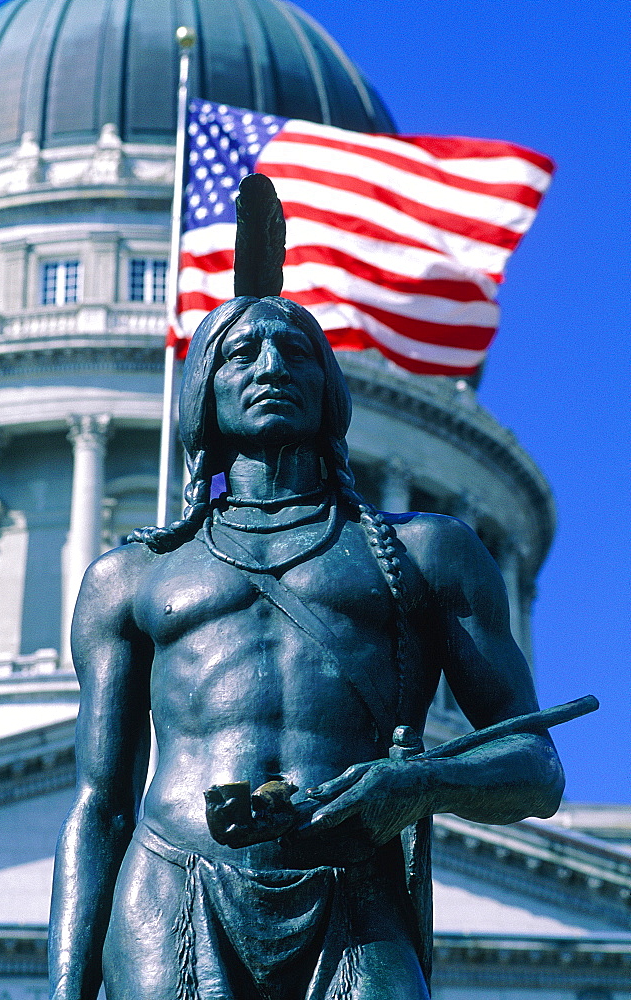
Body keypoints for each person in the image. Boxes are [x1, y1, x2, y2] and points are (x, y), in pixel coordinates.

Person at [49, 293, 564, 1000]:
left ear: (330, 388)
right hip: (173, 884)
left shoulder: (427, 553)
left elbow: (537, 767)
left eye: (295, 352)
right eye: (242, 353)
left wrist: (419, 784)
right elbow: (101, 805)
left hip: (356, 891)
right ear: (204, 390)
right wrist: (66, 988)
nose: (271, 368)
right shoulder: (129, 577)